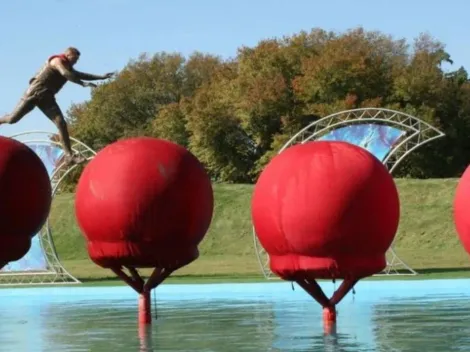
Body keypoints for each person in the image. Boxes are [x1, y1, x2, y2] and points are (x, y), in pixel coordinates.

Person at [0, 47, 115, 166]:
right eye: (74, 59)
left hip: (47, 98)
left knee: (61, 123)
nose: (75, 62)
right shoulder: (56, 61)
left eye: (76, 60)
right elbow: (65, 73)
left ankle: (69, 156)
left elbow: (80, 74)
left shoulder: (68, 67)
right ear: (68, 55)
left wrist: (100, 77)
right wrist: (82, 84)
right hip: (34, 93)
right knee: (12, 119)